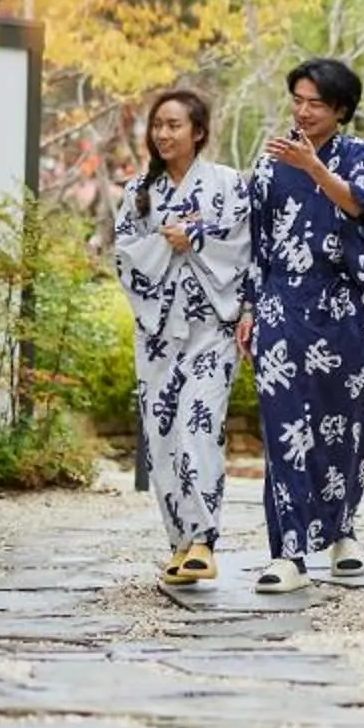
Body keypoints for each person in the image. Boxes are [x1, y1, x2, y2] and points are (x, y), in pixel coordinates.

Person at [237, 56, 364, 592]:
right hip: (282, 308)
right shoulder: (270, 163)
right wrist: (249, 308)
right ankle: (287, 555)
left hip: (342, 308)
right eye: (297, 101)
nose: (303, 112)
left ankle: (342, 531)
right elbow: (254, 243)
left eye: (315, 104)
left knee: (346, 424)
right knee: (285, 429)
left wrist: (315, 169)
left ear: (341, 110)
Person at [109, 88, 248, 585]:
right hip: (158, 334)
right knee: (163, 436)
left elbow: (247, 248)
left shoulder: (231, 185)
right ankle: (180, 542)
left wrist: (198, 238)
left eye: (174, 125)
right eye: (158, 125)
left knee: (198, 425)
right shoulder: (135, 193)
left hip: (213, 329)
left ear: (199, 132)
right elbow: (125, 258)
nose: (163, 134)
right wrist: (165, 244)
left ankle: (205, 540)